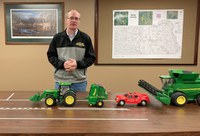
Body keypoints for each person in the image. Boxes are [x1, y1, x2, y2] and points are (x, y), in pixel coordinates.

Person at [47, 9, 96, 92]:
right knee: (60, 104)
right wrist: (63, 64)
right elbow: (51, 56)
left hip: (79, 83)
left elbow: (91, 58)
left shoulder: (85, 38)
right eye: (71, 18)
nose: (74, 20)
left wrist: (77, 64)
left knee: (79, 105)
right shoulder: (57, 38)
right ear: (66, 20)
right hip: (61, 82)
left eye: (76, 18)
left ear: (79, 21)